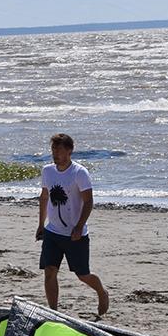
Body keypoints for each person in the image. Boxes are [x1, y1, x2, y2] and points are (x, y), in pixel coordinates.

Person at [36, 133, 109, 316]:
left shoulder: (79, 173)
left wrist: (79, 226)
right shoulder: (47, 171)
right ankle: (54, 312)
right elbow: (44, 197)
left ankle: (101, 292)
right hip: (52, 232)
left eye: (59, 149)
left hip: (75, 235)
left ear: (69, 151)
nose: (55, 153)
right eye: (53, 149)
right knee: (50, 271)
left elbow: (89, 201)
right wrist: (40, 224)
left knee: (82, 275)